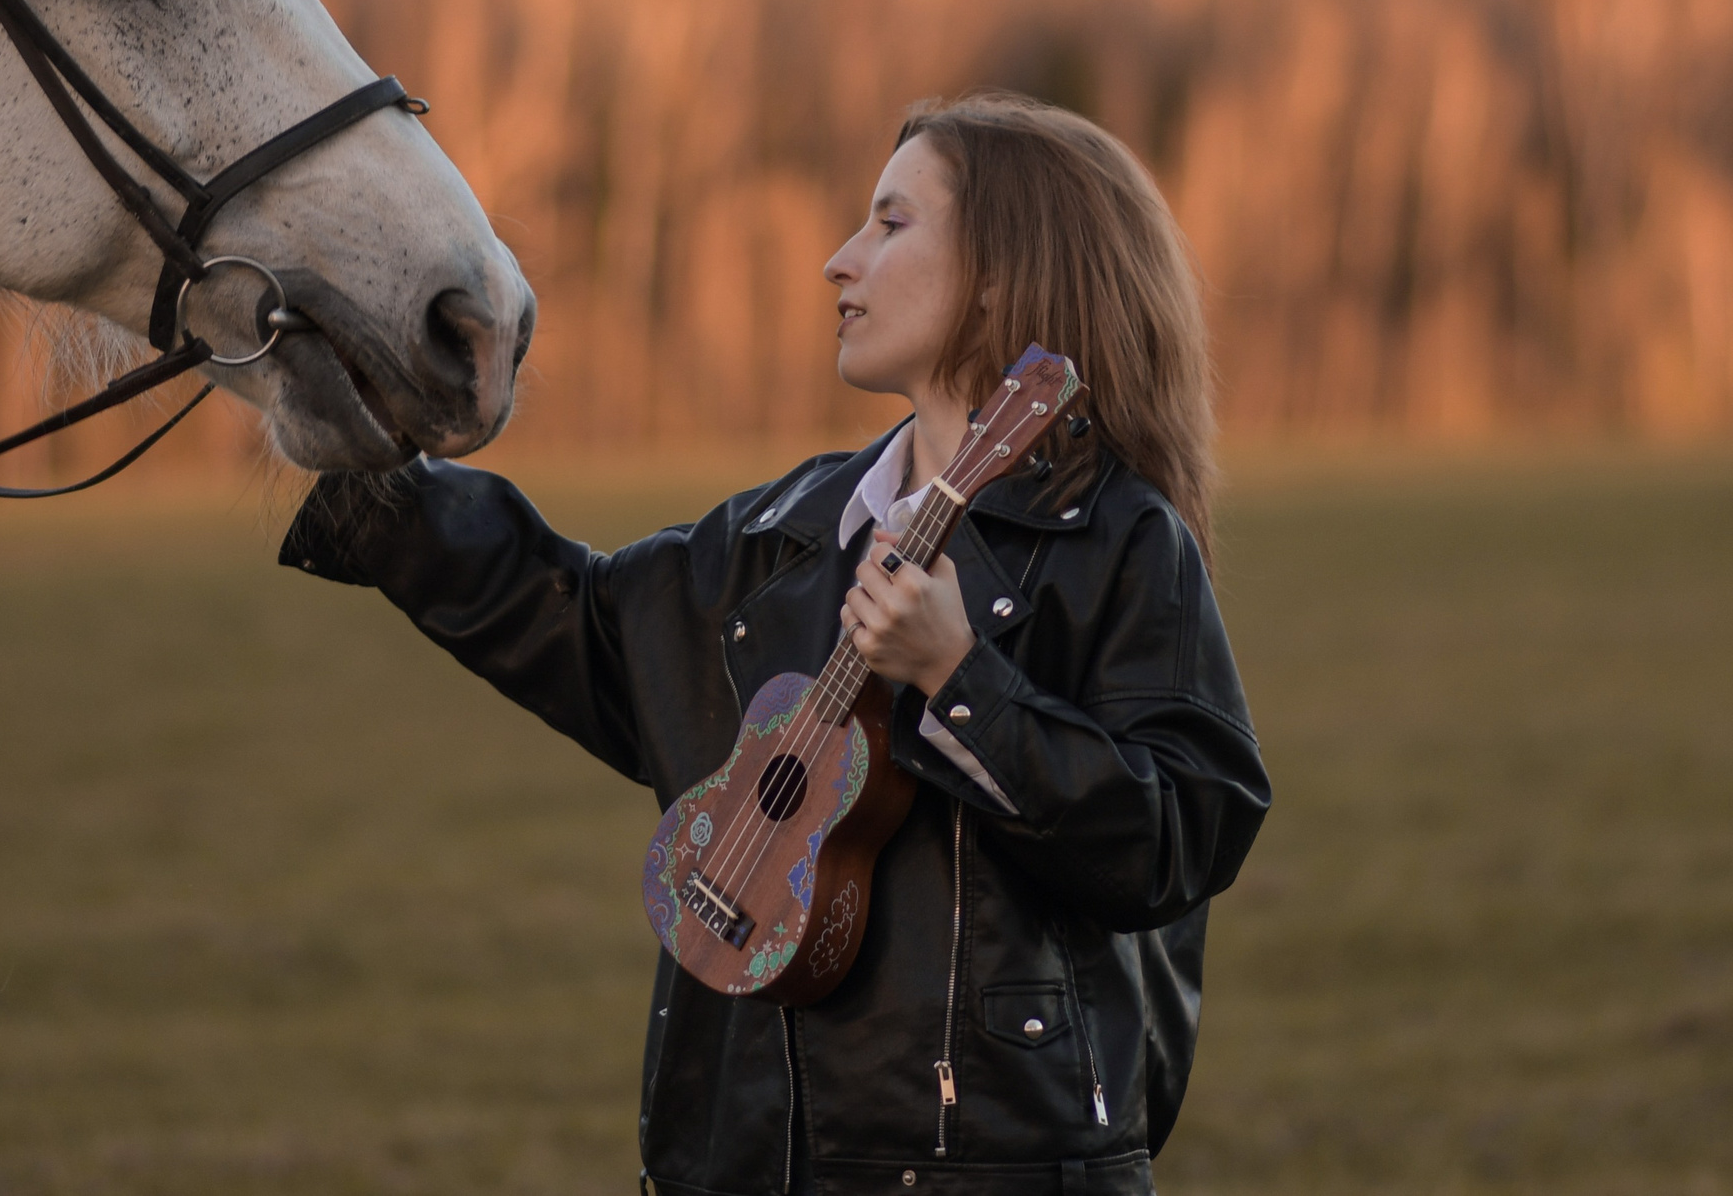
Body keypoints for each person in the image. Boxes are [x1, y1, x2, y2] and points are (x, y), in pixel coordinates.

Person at [281, 92, 1271, 1196]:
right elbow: (575, 621)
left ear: (1000, 272)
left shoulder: (1117, 540)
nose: (837, 263)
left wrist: (960, 677)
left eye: (891, 224)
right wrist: (344, 434)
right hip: (734, 1159)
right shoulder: (785, 532)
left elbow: (1184, 832)